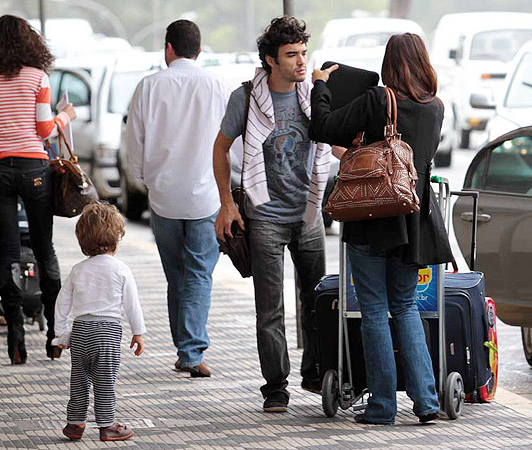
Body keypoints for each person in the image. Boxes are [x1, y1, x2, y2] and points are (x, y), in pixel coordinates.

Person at [309, 33, 454, 425]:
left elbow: (322, 126)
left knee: (374, 310)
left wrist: (321, 85)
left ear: (389, 63)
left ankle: (383, 407)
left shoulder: (378, 99)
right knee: (405, 308)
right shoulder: (435, 108)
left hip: (372, 216)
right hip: (414, 220)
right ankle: (425, 402)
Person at [214, 16, 331, 413]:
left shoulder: (314, 94)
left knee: (318, 299)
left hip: (309, 212)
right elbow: (220, 148)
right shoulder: (245, 98)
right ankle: (275, 388)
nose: (301, 62)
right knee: (270, 308)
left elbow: (335, 141)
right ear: (270, 59)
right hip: (263, 215)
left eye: (303, 53)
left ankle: (316, 373)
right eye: (291, 55)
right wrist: (227, 204)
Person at [0, 15, 77, 364]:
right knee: (45, 248)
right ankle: (55, 335)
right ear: (30, 44)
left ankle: (15, 334)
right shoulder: (37, 77)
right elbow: (44, 129)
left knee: (9, 252)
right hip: (34, 169)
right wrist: (65, 117)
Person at [125, 20, 231, 378]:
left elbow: (134, 140)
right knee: (199, 273)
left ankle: (185, 347)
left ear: (168, 48)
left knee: (177, 275)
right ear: (198, 49)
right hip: (206, 196)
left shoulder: (148, 86)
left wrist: (142, 179)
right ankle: (190, 350)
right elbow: (234, 141)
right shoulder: (218, 86)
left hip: (164, 198)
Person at [54, 202, 145, 442]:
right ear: (116, 238)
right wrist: (138, 332)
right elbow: (132, 304)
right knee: (104, 381)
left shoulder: (78, 270)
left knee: (80, 379)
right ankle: (107, 426)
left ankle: (75, 423)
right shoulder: (121, 269)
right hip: (107, 332)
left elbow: (62, 303)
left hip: (81, 331)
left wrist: (62, 334)